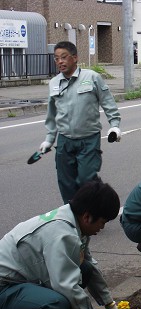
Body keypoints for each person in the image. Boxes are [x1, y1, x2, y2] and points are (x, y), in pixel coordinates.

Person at [0, 181, 124, 309]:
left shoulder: (75, 223)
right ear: (88, 216)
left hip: (22, 281)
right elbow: (65, 285)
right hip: (4, 287)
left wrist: (110, 304)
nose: (102, 228)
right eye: (102, 222)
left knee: (85, 270)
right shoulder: (62, 234)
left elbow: (88, 264)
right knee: (56, 303)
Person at [38, 41, 122, 204]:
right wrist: (49, 139)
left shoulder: (92, 77)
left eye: (63, 57)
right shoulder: (54, 83)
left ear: (75, 58)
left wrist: (115, 126)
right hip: (65, 141)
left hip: (88, 139)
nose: (60, 62)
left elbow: (108, 103)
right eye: (56, 59)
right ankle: (73, 215)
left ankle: (96, 202)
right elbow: (52, 113)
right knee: (66, 182)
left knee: (85, 179)